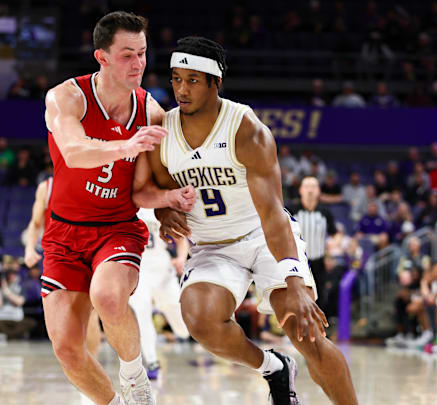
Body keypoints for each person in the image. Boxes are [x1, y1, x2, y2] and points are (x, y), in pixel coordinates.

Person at [146, 36, 357, 405]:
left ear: (216, 82)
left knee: (304, 331)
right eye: (176, 79)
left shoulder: (246, 128)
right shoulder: (164, 133)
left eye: (192, 80)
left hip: (262, 236)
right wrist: (164, 210)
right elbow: (162, 193)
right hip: (212, 245)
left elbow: (273, 212)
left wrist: (292, 279)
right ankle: (273, 366)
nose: (181, 89)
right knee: (199, 319)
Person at [40, 11, 195, 405]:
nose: (139, 63)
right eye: (127, 54)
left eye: (142, 53)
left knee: (108, 297)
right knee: (67, 349)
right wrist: (125, 146)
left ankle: (137, 382)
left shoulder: (151, 113)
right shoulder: (66, 97)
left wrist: (168, 207)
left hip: (116, 229)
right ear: (102, 57)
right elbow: (73, 152)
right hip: (63, 232)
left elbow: (150, 185)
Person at [23, 176, 102, 356]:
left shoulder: (93, 180)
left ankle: (92, 365)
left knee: (90, 313)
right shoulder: (46, 187)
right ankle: (78, 363)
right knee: (62, 318)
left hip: (87, 250)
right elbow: (35, 223)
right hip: (57, 256)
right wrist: (29, 249)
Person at [128, 208, 190, 380]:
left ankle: (186, 333)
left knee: (182, 328)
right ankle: (152, 361)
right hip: (137, 271)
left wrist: (181, 258)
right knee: (141, 313)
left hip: (163, 270)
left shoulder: (159, 206)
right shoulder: (124, 207)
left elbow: (181, 238)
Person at [290, 176, 337, 317]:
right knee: (296, 296)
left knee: (320, 296)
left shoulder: (325, 212)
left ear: (319, 191)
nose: (310, 190)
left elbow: (335, 235)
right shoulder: (291, 210)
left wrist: (330, 253)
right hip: (297, 262)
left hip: (319, 261)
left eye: (313, 186)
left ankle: (319, 331)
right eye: (307, 186)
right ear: (300, 190)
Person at [0, 263, 38, 340]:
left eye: (13, 274)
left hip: (16, 319)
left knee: (32, 323)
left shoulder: (20, 287)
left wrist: (7, 291)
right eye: (9, 274)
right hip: (1, 318)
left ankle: (6, 334)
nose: (11, 276)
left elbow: (19, 302)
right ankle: (15, 335)